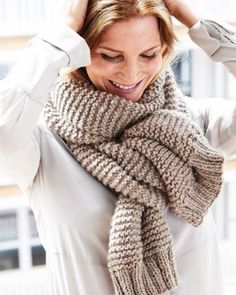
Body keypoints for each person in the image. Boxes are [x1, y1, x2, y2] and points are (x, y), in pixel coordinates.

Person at [0, 0, 236, 294]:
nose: (131, 74)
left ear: (163, 50)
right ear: (81, 52)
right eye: (111, 56)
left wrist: (191, 17)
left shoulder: (190, 125)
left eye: (148, 54)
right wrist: (61, 31)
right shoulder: (45, 145)